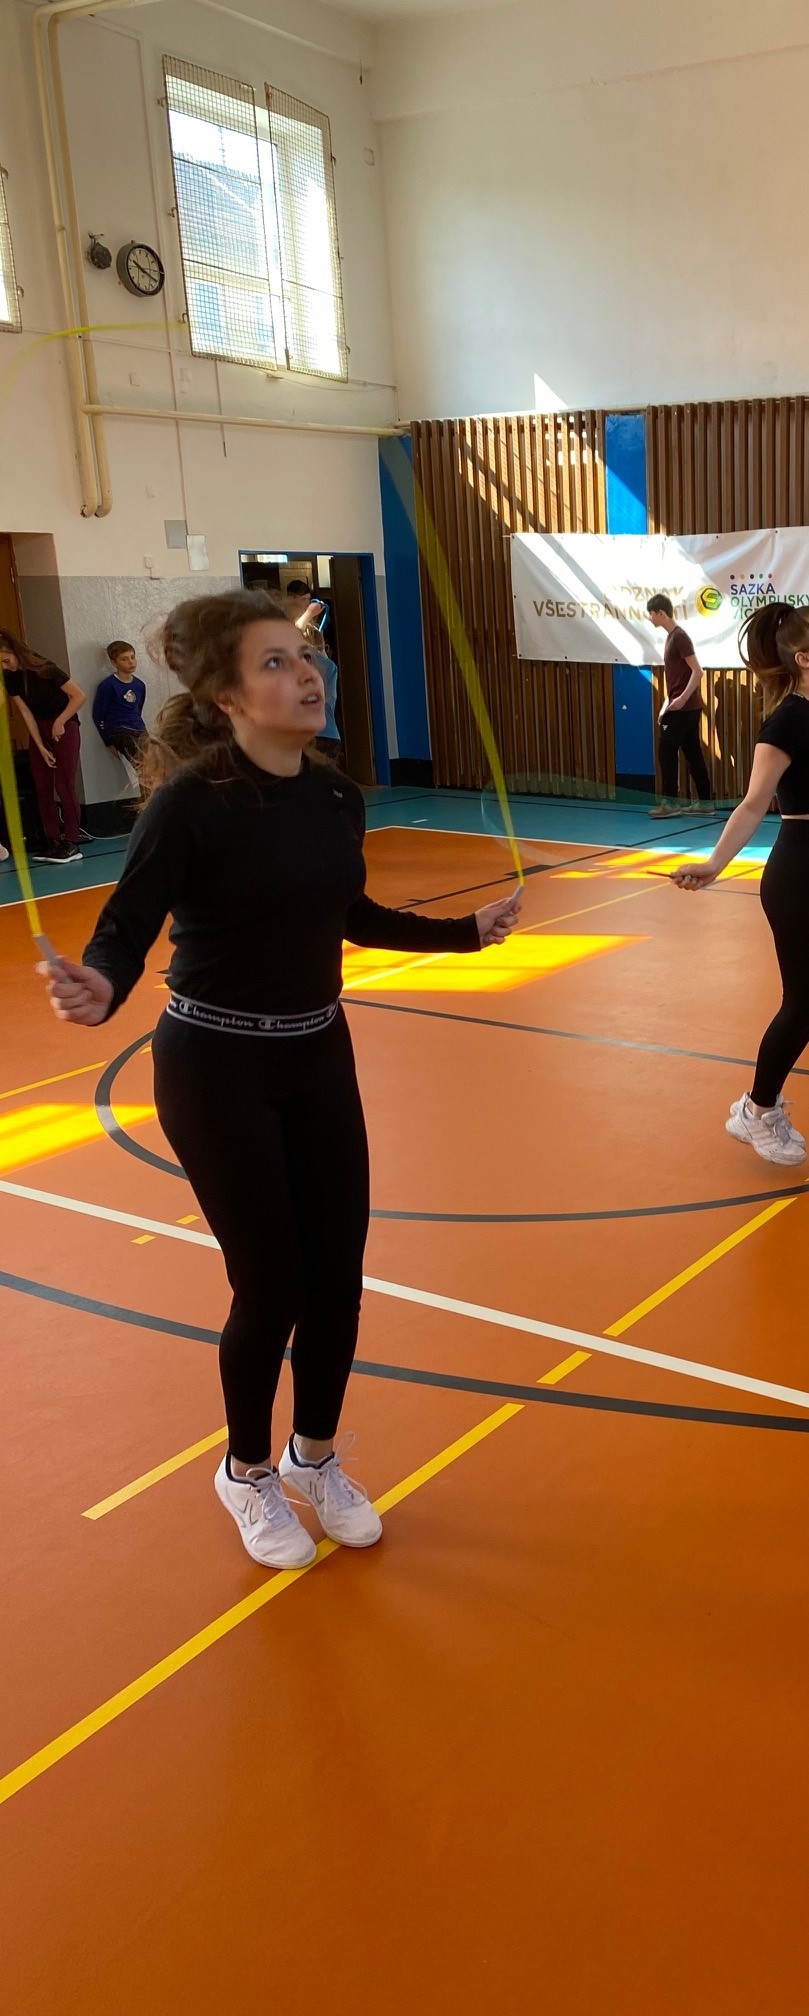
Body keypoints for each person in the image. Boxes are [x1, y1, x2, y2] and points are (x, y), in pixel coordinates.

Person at [40, 589, 520, 1570]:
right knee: (271, 1284)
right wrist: (101, 983)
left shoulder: (335, 797)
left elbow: (351, 914)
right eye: (274, 662)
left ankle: (315, 1457)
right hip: (215, 1066)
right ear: (225, 697)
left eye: (304, 657)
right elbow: (127, 926)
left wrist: (462, 935)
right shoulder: (190, 804)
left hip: (316, 1053)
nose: (305, 674)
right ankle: (247, 1470)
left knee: (337, 1277)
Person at [673, 602, 809, 1166]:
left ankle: (758, 1105)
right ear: (805, 659)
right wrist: (715, 864)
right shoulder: (786, 722)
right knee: (802, 999)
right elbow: (754, 804)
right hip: (798, 873)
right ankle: (757, 1110)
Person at [2, 628, 87, 864]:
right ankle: (53, 840)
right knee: (42, 786)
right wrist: (39, 746)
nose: (4, 666)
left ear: (15, 652)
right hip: (40, 729)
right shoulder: (10, 677)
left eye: (6, 660)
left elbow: (79, 696)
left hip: (64, 725)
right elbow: (25, 713)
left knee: (64, 784)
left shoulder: (45, 668)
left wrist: (61, 721)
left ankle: (72, 840)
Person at [647, 592, 712, 817]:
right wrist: (666, 705)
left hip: (684, 707)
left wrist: (682, 699)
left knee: (666, 750)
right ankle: (705, 803)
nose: (650, 618)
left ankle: (671, 803)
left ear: (661, 613)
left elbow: (697, 671)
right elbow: (676, 679)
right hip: (682, 706)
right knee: (693, 752)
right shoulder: (671, 638)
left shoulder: (679, 638)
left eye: (651, 614)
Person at [283, 581, 341, 761]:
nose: (308, 604)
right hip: (329, 734)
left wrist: (308, 614)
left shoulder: (311, 662)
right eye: (304, 600)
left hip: (316, 734)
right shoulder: (326, 664)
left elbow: (292, 637)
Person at [92, 640, 149, 779]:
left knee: (154, 761)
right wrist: (108, 741)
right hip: (120, 732)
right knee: (141, 766)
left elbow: (138, 709)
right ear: (114, 663)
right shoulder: (108, 685)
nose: (131, 662)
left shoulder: (140, 685)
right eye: (124, 659)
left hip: (139, 729)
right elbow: (98, 715)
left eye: (132, 657)